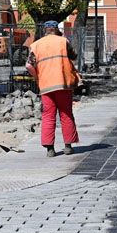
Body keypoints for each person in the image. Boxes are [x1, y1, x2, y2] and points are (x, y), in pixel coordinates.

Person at [26, 21, 80, 157]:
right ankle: (68, 146)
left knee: (48, 116)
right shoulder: (63, 41)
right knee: (66, 114)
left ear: (45, 31)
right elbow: (74, 56)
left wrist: (38, 76)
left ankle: (50, 149)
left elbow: (28, 65)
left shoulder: (36, 45)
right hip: (63, 83)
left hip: (46, 85)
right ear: (56, 30)